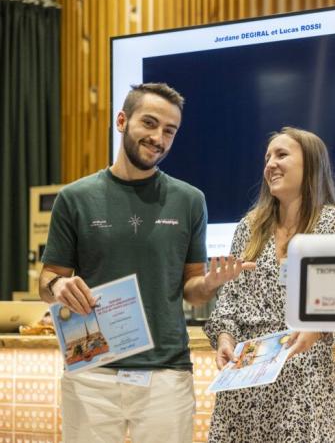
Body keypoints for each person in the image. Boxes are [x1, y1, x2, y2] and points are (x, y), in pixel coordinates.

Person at [39, 83, 252, 443]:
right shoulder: (74, 198)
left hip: (166, 374)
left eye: (169, 131)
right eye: (150, 124)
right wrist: (58, 286)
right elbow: (46, 281)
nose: (159, 138)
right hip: (91, 371)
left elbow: (192, 290)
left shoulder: (189, 200)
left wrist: (211, 284)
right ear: (122, 121)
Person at [204, 126, 335, 443]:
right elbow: (229, 303)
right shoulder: (249, 227)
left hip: (303, 387)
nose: (270, 164)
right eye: (267, 157)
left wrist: (316, 329)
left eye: (281, 155)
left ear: (311, 165)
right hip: (244, 386)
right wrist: (224, 338)